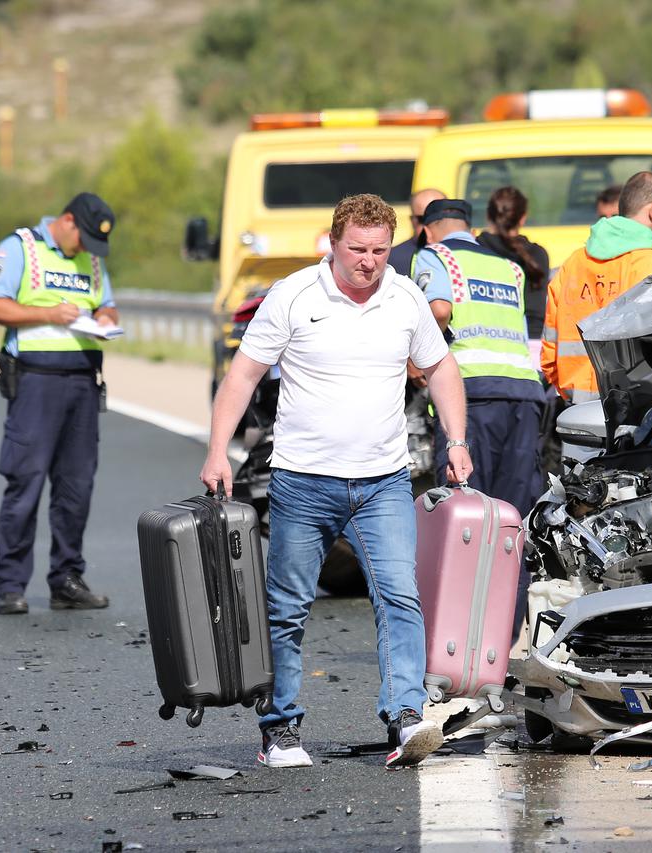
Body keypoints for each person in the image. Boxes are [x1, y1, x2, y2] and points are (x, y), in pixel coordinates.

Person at [200, 194, 472, 770]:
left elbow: (442, 366)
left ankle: (404, 716)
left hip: (383, 482)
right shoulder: (294, 295)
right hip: (303, 482)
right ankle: (280, 729)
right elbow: (244, 374)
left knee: (400, 597)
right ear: (332, 243)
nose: (368, 261)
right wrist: (218, 453)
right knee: (288, 608)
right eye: (357, 249)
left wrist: (456, 440)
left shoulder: (405, 298)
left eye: (379, 250)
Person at [0, 192, 119, 617]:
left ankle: (67, 580)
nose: (88, 249)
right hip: (36, 383)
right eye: (85, 238)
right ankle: (10, 585)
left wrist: (106, 320)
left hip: (82, 383)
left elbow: (106, 305)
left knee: (76, 488)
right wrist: (49, 315)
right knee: (26, 484)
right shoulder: (20, 248)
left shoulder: (91, 260)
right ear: (68, 221)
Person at [411, 198, 546, 516]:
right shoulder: (510, 267)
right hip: (523, 393)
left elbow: (439, 308)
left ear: (428, 231)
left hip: (471, 392)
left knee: (466, 507)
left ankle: (468, 569)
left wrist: (419, 356)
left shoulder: (434, 255)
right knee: (515, 511)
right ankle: (514, 569)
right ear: (470, 230)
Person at [542, 171, 652, 403]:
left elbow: (549, 353)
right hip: (635, 411)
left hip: (577, 413)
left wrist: (571, 394)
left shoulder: (572, 264)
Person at [474, 186, 550, 362]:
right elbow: (536, 313)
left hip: (480, 347)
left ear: (488, 216)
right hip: (526, 351)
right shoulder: (537, 255)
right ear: (523, 218)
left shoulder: (475, 250)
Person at [388, 187, 446, 276]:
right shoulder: (393, 259)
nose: (431, 224)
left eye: (438, 218)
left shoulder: (463, 252)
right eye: (423, 219)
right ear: (412, 221)